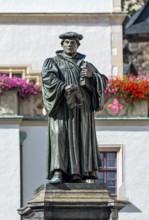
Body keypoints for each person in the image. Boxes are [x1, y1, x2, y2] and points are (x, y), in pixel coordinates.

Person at [41, 32, 108, 184]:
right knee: (59, 135)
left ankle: (77, 173)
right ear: (62, 45)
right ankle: (58, 171)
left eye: (73, 42)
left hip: (82, 108)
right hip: (62, 107)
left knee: (80, 137)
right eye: (66, 42)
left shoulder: (86, 64)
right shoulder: (53, 62)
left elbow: (103, 80)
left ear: (78, 45)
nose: (69, 44)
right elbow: (47, 79)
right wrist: (64, 87)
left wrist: (93, 76)